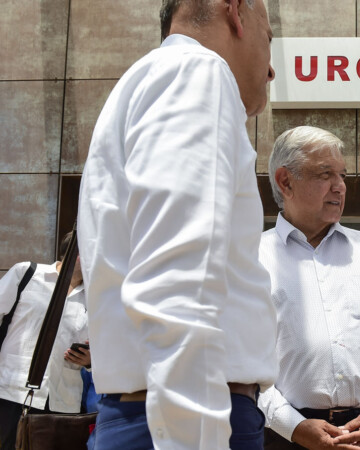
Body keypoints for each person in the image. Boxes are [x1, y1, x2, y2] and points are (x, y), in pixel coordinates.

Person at [76, 0, 277, 448]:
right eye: (270, 39)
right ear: (237, 13)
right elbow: (177, 283)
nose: (271, 71)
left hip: (152, 415)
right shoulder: (198, 72)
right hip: (184, 420)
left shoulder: (153, 79)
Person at [258, 125, 360, 450]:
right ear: (285, 181)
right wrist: (291, 425)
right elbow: (242, 363)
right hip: (284, 436)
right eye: (325, 174)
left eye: (343, 175)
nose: (340, 187)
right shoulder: (250, 259)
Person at [0, 231, 90, 450]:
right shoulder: (26, 273)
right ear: (72, 252)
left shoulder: (96, 298)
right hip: (12, 391)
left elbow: (106, 352)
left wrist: (89, 361)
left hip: (63, 401)